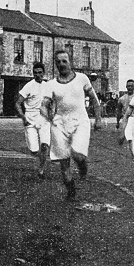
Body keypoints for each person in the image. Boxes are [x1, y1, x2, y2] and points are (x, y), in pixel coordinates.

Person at [40, 50, 102, 201]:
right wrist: (49, 117)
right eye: (58, 62)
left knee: (77, 154)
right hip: (59, 124)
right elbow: (43, 105)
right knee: (64, 162)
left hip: (80, 121)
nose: (61, 64)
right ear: (55, 64)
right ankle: (71, 191)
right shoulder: (51, 84)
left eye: (64, 61)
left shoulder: (82, 78)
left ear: (70, 62)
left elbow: (94, 100)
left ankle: (82, 165)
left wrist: (98, 119)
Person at [15, 62, 51, 179]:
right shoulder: (29, 86)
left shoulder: (48, 86)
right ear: (33, 73)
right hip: (30, 120)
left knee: (45, 145)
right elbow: (17, 103)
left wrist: (52, 113)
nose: (38, 75)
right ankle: (38, 158)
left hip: (44, 119)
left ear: (43, 73)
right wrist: (23, 118)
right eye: (35, 73)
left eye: (40, 73)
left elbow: (54, 101)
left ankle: (41, 169)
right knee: (34, 150)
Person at [116, 79, 134, 150]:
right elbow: (118, 111)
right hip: (125, 120)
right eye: (128, 86)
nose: (130, 88)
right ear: (126, 87)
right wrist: (117, 122)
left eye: (131, 86)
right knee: (121, 138)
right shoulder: (122, 99)